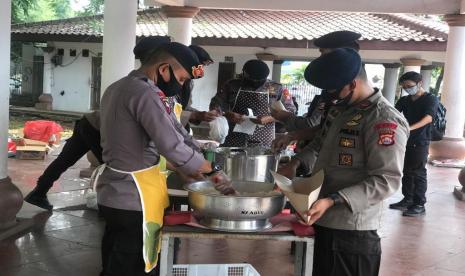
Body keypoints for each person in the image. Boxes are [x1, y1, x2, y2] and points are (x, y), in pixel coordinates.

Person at [279, 48, 409, 275]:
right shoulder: (340, 111)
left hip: (352, 230)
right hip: (322, 217)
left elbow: (386, 180)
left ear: (352, 83)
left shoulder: (383, 119)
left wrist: (333, 200)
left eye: (334, 91)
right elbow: (319, 144)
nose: (332, 98)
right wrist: (295, 164)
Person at [97, 42, 216, 276]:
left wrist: (198, 159)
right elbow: (170, 144)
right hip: (133, 197)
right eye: (181, 79)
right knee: (132, 266)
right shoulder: (145, 92)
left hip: (114, 193)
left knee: (114, 257)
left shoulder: (119, 87)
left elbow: (175, 129)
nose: (180, 85)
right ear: (164, 69)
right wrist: (211, 171)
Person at [23, 37, 171, 211]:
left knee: (65, 161)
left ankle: (39, 192)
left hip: (89, 123)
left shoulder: (144, 84)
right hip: (94, 127)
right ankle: (110, 205)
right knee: (116, 167)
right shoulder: (144, 85)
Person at [209, 59, 296, 147]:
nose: (256, 83)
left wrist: (270, 118)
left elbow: (291, 112)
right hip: (234, 136)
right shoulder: (231, 85)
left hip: (264, 139)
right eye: (252, 80)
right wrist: (226, 114)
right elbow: (215, 105)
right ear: (243, 74)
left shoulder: (277, 88)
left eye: (259, 81)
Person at [389, 71, 439, 217]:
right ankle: (407, 199)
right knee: (406, 170)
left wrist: (408, 128)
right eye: (404, 87)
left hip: (421, 140)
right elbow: (393, 114)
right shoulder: (405, 100)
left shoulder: (431, 99)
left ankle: (419, 204)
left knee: (418, 172)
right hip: (406, 139)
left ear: (419, 83)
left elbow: (428, 118)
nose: (407, 89)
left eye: (410, 86)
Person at [175, 45, 219, 129]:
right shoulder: (170, 81)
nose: (201, 70)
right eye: (200, 65)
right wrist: (194, 115)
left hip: (179, 127)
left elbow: (186, 107)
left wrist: (203, 115)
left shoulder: (189, 82)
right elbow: (166, 110)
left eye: (203, 67)